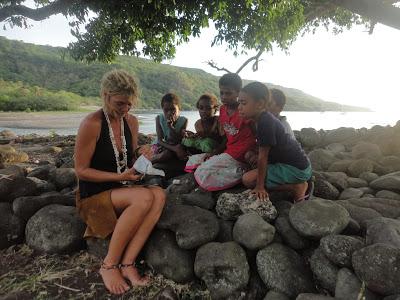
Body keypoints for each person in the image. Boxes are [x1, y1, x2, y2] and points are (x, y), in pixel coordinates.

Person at [74, 69, 166, 295]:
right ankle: (109, 265)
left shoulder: (131, 121)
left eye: (129, 104)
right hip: (94, 195)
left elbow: (127, 157)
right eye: (120, 103)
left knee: (160, 195)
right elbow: (81, 171)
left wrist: (141, 155)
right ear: (106, 96)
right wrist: (120, 177)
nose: (124, 109)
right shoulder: (92, 123)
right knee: (145, 196)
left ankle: (127, 263)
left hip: (120, 187)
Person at [239, 82, 312, 203]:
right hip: (292, 164)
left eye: (243, 103)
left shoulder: (265, 122)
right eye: (239, 103)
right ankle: (292, 182)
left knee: (247, 180)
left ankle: (297, 186)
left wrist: (259, 186)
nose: (239, 107)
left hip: (297, 169)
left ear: (260, 104)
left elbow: (263, 157)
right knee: (249, 158)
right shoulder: (261, 118)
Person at [194, 73, 256, 191]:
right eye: (221, 93)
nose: (223, 97)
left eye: (228, 93)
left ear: (238, 92)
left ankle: (243, 172)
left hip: (243, 154)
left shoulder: (244, 111)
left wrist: (254, 154)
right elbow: (227, 137)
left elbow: (257, 135)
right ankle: (239, 171)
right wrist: (216, 151)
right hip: (229, 152)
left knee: (203, 173)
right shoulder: (222, 110)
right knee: (200, 165)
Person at [151, 93, 188, 163]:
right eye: (166, 110)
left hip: (175, 144)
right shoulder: (159, 118)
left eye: (173, 109)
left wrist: (171, 127)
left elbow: (178, 139)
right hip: (161, 145)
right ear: (162, 109)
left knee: (182, 153)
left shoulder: (184, 121)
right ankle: (151, 160)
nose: (169, 113)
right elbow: (160, 140)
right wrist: (175, 149)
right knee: (167, 154)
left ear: (179, 109)